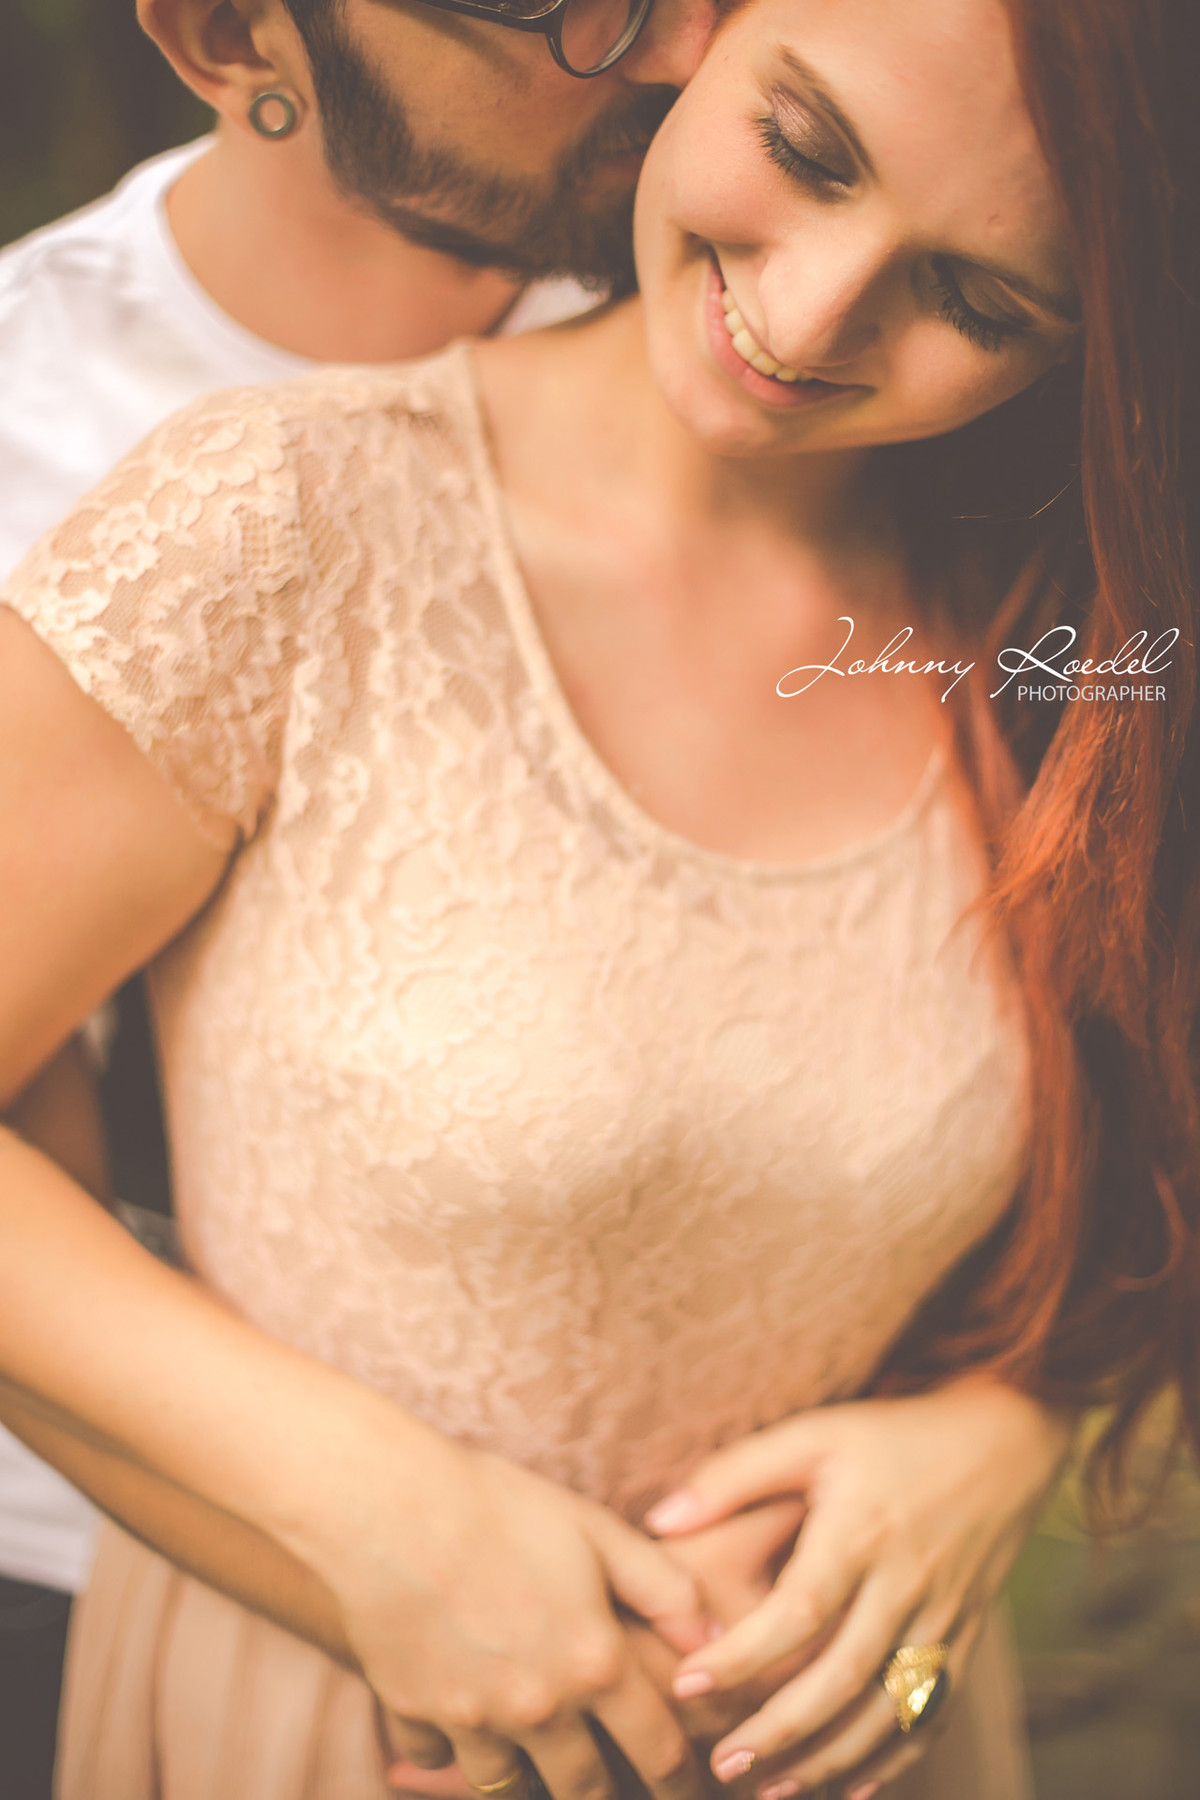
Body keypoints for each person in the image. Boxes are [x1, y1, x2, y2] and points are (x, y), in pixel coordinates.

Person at [0, 1, 1195, 1799]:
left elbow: (1144, 1141)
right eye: (805, 149)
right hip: (332, 1716)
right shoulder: (276, 525)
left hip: (850, 1739)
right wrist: (372, 1521)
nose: (808, 320)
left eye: (981, 299)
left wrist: (995, 1429)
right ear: (702, 35)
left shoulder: (1070, 630)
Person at [0, 0, 713, 1780]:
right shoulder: (29, 424)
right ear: (226, 35)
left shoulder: (755, 337)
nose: (681, 47)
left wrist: (995, 1423)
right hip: (92, 1567)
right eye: (561, 6)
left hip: (703, 1579)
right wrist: (368, 1527)